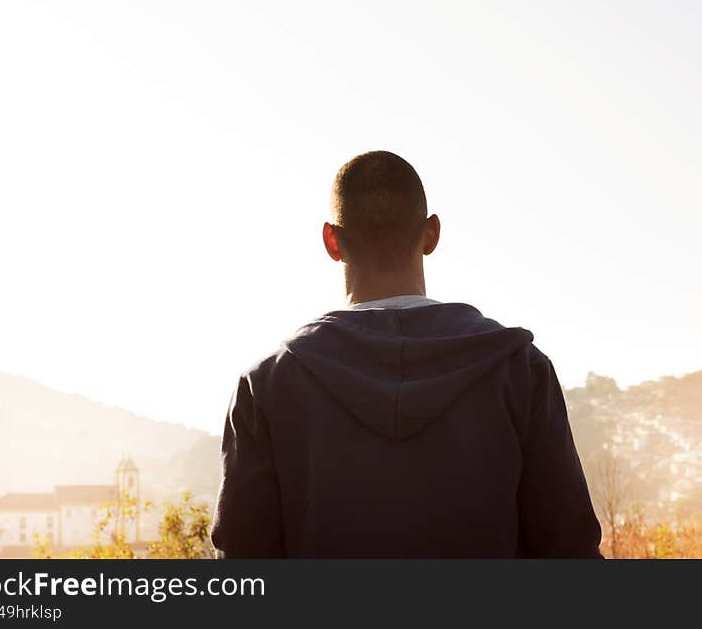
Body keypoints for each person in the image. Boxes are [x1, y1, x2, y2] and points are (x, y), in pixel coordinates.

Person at [211, 151, 602, 557]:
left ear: (331, 241)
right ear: (431, 234)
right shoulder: (520, 371)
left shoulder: (268, 386)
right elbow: (570, 550)